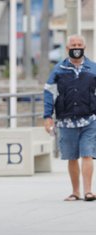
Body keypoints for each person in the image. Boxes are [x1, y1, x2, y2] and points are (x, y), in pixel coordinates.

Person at [43, 34, 96, 202]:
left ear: (84, 47)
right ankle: (75, 192)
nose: (76, 47)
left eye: (79, 44)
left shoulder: (93, 68)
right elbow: (49, 93)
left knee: (87, 154)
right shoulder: (59, 70)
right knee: (72, 157)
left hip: (89, 119)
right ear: (67, 48)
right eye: (73, 45)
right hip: (66, 121)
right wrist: (47, 117)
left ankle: (88, 191)